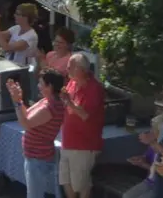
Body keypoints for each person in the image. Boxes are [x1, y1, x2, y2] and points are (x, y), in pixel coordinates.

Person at [8, 70, 68, 198]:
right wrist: (19, 98)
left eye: (40, 83)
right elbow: (27, 114)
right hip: (35, 157)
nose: (38, 86)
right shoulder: (46, 101)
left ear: (50, 86)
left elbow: (25, 123)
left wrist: (17, 102)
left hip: (38, 159)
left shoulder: (50, 107)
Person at [61, 53, 107, 198]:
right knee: (65, 181)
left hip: (84, 146)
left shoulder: (94, 88)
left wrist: (68, 102)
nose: (67, 68)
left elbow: (85, 115)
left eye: (70, 66)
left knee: (81, 185)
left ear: (81, 70)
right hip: (68, 142)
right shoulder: (72, 83)